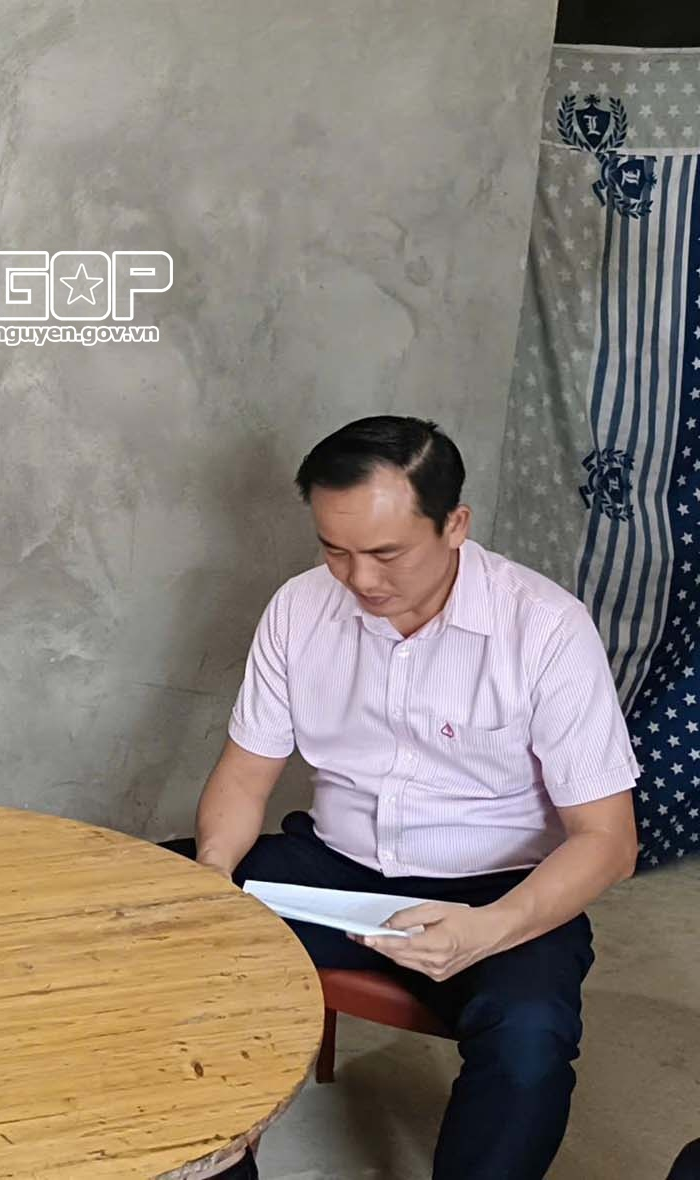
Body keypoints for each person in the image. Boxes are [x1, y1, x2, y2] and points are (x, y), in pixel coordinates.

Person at [183, 416, 638, 1180]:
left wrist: (489, 929)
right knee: (157, 931)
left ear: (455, 524)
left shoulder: (546, 628)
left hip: (497, 889)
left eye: (387, 553)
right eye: (335, 550)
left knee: (528, 1041)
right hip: (331, 866)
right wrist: (213, 872)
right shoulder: (299, 607)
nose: (360, 580)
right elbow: (245, 774)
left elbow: (608, 840)